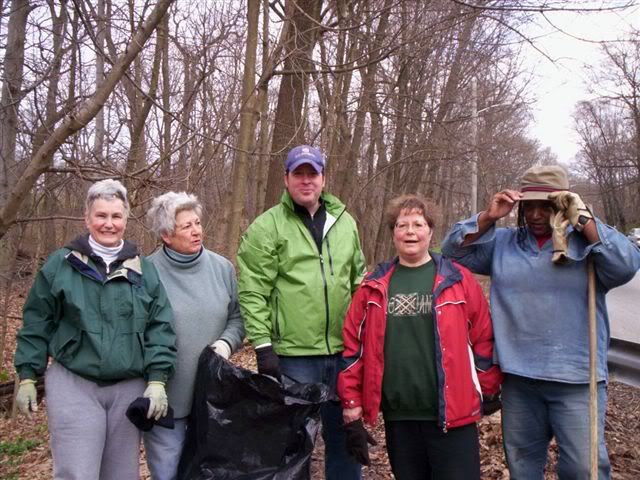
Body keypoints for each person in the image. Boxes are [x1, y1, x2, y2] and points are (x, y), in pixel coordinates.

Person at [441, 165, 640, 479]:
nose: (535, 214)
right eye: (528, 206)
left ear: (562, 205)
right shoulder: (504, 244)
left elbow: (627, 265)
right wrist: (488, 217)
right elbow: (452, 252)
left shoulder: (586, 246)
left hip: (576, 380)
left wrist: (585, 220)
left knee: (583, 469)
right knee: (523, 468)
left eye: (545, 206)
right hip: (519, 380)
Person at [14, 179, 176, 480]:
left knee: (121, 473)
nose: (109, 224)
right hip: (74, 382)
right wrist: (27, 374)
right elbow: (37, 321)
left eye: (116, 216)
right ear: (87, 218)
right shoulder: (60, 265)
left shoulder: (143, 270)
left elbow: (160, 325)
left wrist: (157, 379)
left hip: (127, 385)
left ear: (126, 220)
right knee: (77, 471)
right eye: (101, 216)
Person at [337, 194, 503, 480]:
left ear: (430, 230)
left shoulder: (458, 279)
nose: (410, 231)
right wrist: (352, 405)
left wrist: (488, 387)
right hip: (400, 417)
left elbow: (483, 337)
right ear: (393, 233)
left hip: (454, 415)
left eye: (418, 224)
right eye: (402, 225)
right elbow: (354, 348)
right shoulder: (373, 286)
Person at [237, 145, 366, 479]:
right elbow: (253, 291)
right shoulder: (267, 227)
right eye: (299, 174)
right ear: (286, 178)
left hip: (343, 352)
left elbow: (358, 283)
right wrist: (263, 347)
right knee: (295, 445)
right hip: (294, 356)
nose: (306, 181)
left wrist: (365, 337)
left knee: (346, 440)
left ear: (324, 178)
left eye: (313, 174)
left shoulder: (345, 222)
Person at [143, 191, 245, 480]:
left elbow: (237, 318)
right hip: (165, 398)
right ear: (165, 235)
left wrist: (226, 344)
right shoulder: (147, 272)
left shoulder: (222, 268)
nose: (196, 230)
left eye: (197, 222)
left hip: (212, 398)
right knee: (168, 473)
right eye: (186, 226)